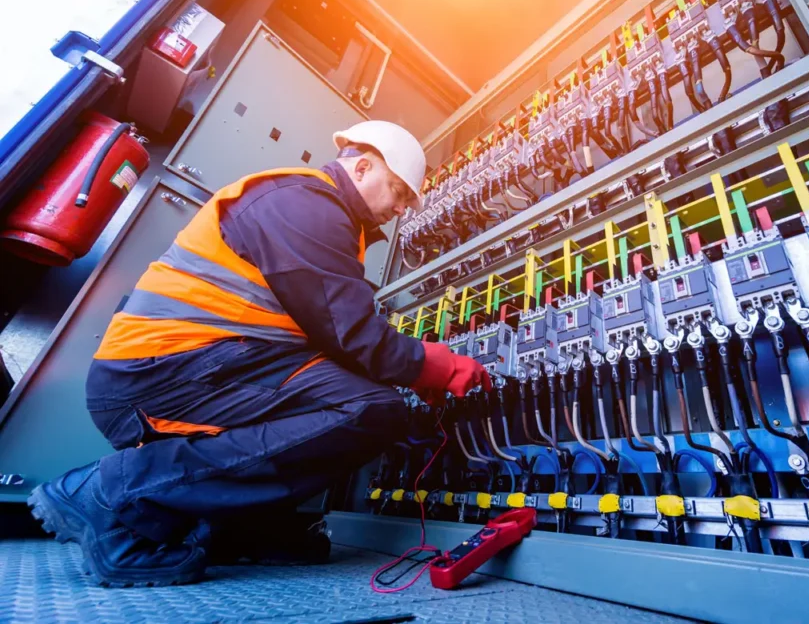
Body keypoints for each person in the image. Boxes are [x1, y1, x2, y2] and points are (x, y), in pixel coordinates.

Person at [28, 121, 490, 587]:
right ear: (364, 166)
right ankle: (118, 494)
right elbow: (350, 332)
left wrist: (411, 372)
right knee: (371, 408)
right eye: (399, 191)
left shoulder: (327, 216)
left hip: (206, 366)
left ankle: (237, 526)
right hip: (163, 375)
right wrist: (437, 365)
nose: (403, 208)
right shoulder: (306, 204)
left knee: (364, 399)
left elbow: (330, 337)